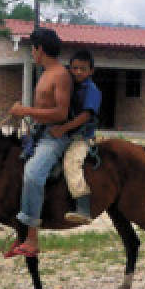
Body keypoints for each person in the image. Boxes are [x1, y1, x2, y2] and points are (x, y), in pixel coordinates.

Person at [5, 27, 72, 259]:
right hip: (38, 133)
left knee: (33, 175)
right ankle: (21, 233)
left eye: (32, 48)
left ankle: (32, 239)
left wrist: (25, 110)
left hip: (54, 136)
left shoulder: (60, 74)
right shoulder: (45, 73)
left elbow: (62, 113)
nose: (32, 53)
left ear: (39, 49)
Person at [52, 49, 102, 224]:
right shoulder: (69, 85)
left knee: (72, 162)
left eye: (83, 68)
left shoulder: (91, 90)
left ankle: (83, 207)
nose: (78, 72)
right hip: (65, 134)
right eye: (75, 68)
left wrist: (63, 128)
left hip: (82, 137)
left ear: (91, 71)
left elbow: (85, 116)